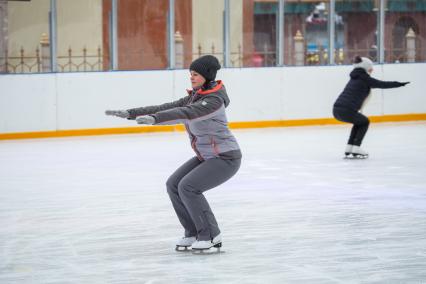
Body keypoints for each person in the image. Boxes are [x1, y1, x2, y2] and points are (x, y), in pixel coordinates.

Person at [105, 55, 242, 252]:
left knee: (188, 186)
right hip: (207, 156)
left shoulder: (214, 101)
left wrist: (155, 119)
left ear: (207, 75)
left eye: (196, 74)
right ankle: (193, 232)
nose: (192, 77)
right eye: (191, 74)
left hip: (226, 157)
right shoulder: (195, 96)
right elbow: (167, 107)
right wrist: (131, 113)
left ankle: (211, 235)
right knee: (174, 184)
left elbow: (186, 113)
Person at [332, 56, 409, 159]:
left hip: (337, 110)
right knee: (365, 122)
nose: (372, 70)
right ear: (365, 67)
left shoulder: (356, 77)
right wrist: (398, 84)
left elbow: (375, 85)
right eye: (370, 67)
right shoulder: (365, 78)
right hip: (346, 110)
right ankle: (356, 147)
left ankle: (350, 147)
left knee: (359, 122)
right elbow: (382, 84)